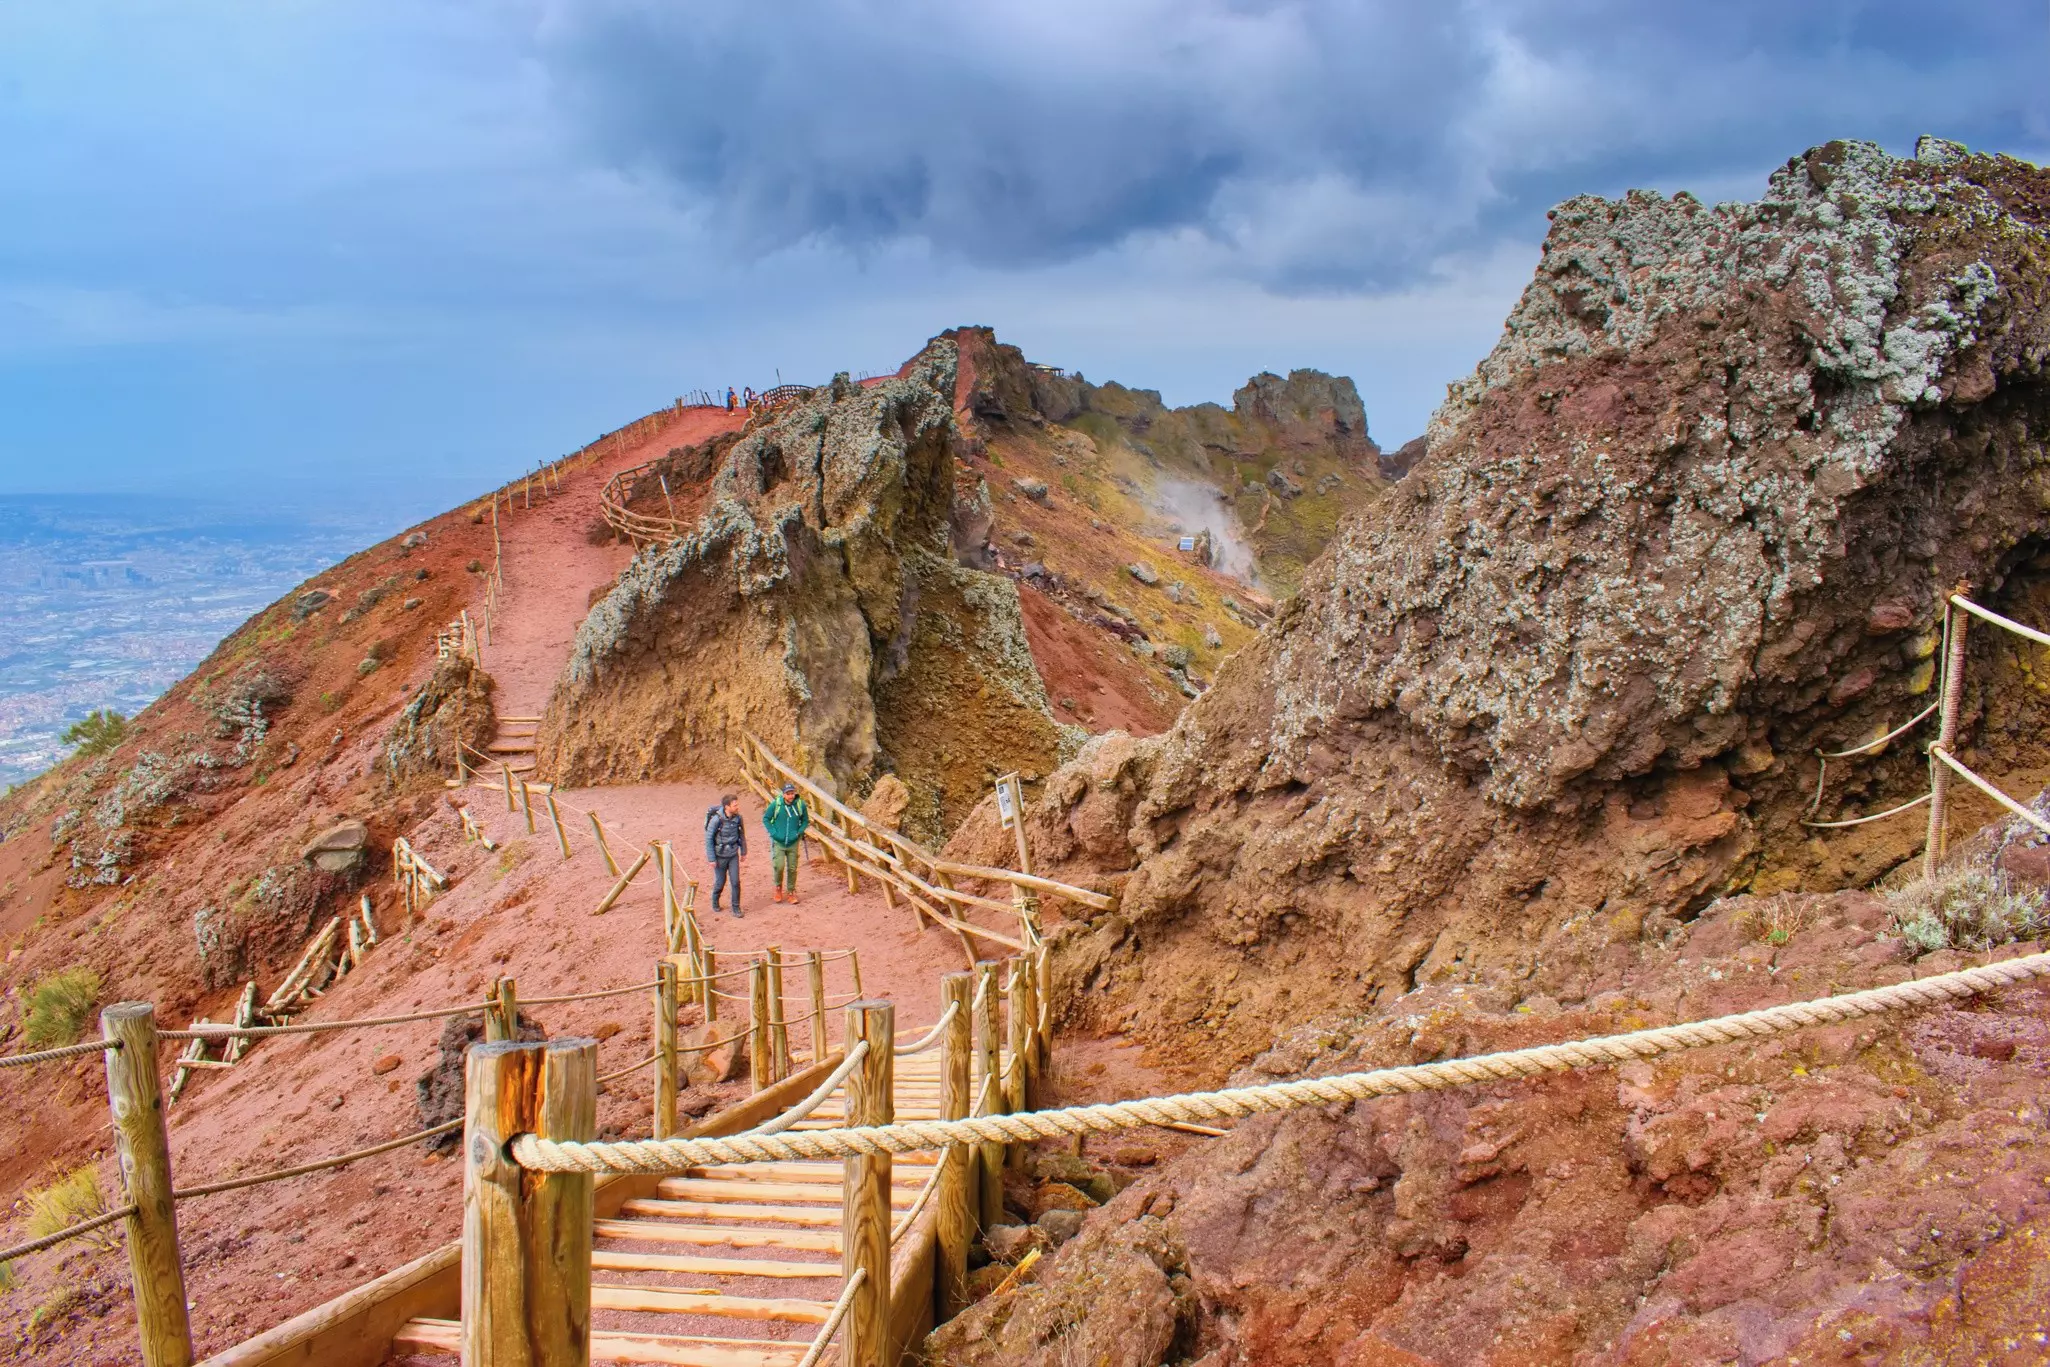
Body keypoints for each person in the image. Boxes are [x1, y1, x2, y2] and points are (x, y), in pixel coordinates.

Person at [762, 781, 811, 903]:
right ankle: (778, 887)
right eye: (788, 793)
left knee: (792, 868)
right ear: (783, 794)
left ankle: (791, 891)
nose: (790, 796)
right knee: (779, 866)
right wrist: (774, 833)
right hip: (779, 842)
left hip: (793, 842)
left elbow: (805, 820)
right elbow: (766, 819)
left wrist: (799, 832)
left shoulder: (800, 805)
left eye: (792, 793)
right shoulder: (776, 805)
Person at [704, 793, 748, 916]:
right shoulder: (716, 820)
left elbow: (742, 835)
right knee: (720, 882)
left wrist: (743, 851)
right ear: (727, 806)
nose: (737, 807)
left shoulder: (738, 818)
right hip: (720, 856)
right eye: (735, 805)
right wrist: (711, 858)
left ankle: (736, 908)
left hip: (733, 854)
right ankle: (715, 900)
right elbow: (708, 839)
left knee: (735, 882)